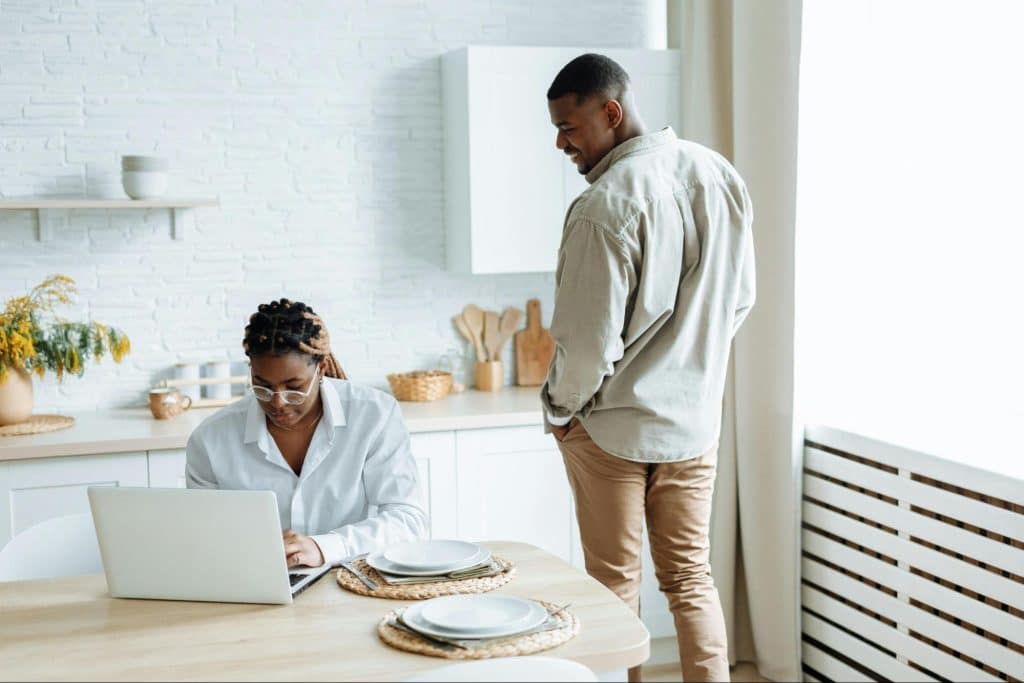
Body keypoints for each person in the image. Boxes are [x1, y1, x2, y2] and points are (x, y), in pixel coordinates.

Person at [541, 54, 755, 682]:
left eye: (569, 127)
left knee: (611, 589)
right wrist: (692, 365)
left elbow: (586, 345)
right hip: (693, 423)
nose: (561, 143)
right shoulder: (718, 173)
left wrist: (560, 410)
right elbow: (739, 299)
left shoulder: (605, 206)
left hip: (612, 431)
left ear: (611, 112)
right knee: (692, 580)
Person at [186, 298, 428, 569]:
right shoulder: (210, 440)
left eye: (294, 387)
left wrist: (323, 547)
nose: (277, 402)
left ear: (321, 368)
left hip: (351, 579)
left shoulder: (374, 416)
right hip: (253, 585)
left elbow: (407, 520)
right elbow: (205, 536)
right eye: (262, 386)